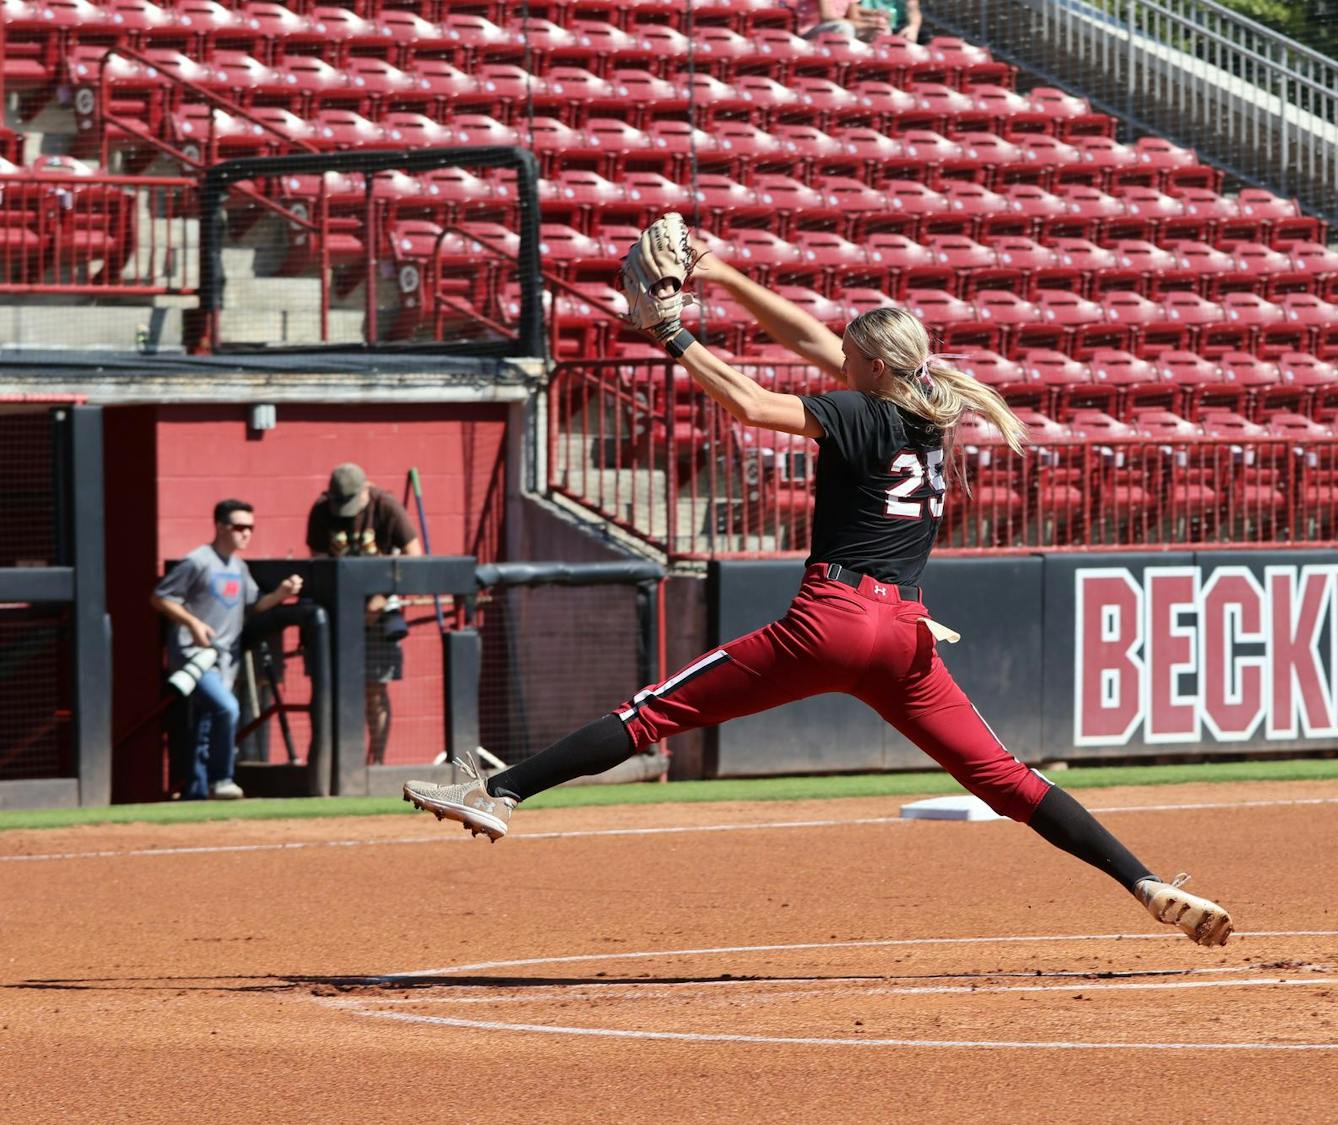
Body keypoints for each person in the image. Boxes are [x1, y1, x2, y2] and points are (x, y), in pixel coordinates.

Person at [403, 224, 1234, 947]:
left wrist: (674, 334)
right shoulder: (929, 410)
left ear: (871, 363)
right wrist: (723, 275)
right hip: (906, 640)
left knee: (653, 711)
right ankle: (1143, 881)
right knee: (1008, 779)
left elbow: (755, 405)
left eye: (850, 352)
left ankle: (502, 789)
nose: (836, 355)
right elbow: (810, 338)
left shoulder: (862, 413)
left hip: (832, 620)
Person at [152, 499, 303, 799]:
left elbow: (253, 606)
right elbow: (160, 597)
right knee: (227, 708)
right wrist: (193, 624)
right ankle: (222, 779)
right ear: (221, 527)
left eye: (250, 527)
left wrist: (281, 594)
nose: (246, 533)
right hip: (194, 657)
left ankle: (196, 791)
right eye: (239, 527)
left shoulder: (239, 566)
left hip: (226, 659)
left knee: (206, 723)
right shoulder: (198, 560)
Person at [306, 462, 422, 765]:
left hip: (380, 612)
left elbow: (415, 558)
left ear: (366, 489)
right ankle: (336, 761)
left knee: (374, 690)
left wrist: (382, 598)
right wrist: (344, 609)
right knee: (330, 690)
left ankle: (377, 764)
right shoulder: (321, 511)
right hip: (337, 614)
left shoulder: (385, 506)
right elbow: (318, 563)